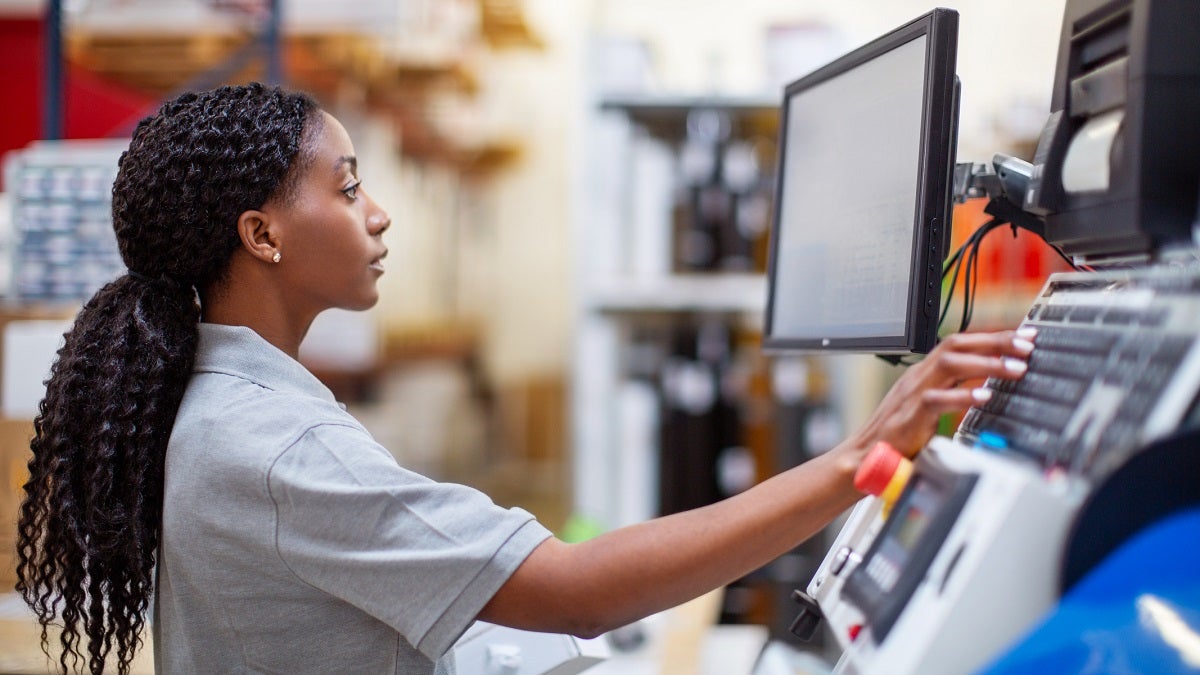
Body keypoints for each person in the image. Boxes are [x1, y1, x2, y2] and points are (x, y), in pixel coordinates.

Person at [15, 83, 1034, 675]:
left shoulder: (240, 402)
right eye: (349, 186)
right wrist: (865, 451)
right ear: (261, 234)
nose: (378, 215)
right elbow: (581, 593)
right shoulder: (269, 443)